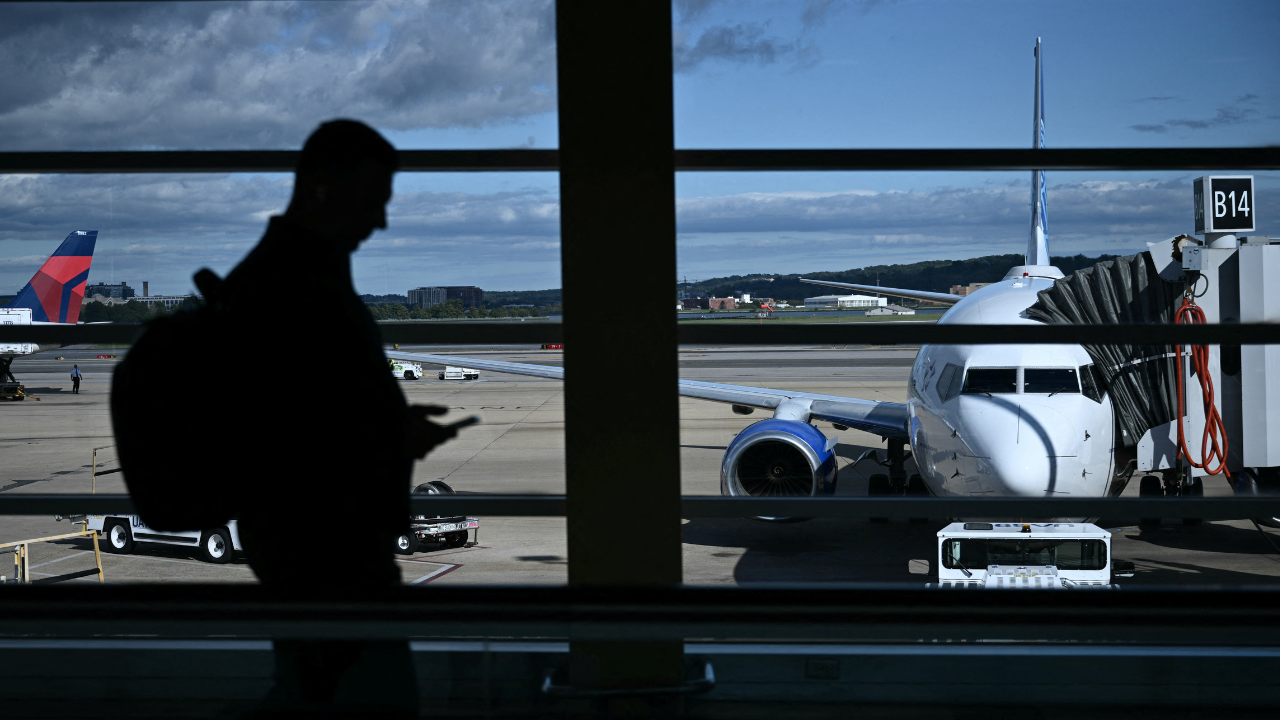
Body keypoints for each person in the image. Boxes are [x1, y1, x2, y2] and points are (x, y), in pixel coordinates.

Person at [224, 120, 456, 719]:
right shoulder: (295, 289)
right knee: (360, 696)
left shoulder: (294, 278)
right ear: (326, 189)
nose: (381, 221)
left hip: (320, 553)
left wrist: (388, 433)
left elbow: (304, 422)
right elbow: (290, 441)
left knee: (313, 693)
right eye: (373, 200)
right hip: (327, 558)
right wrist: (388, 439)